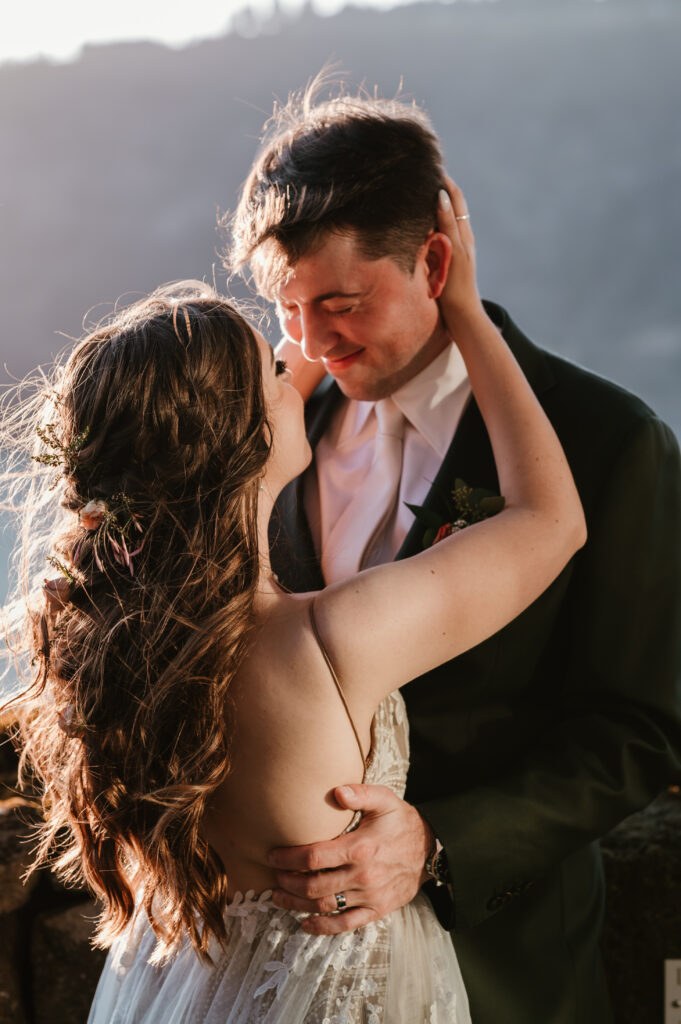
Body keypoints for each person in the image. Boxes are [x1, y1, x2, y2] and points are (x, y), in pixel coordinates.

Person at [2, 184, 583, 1023]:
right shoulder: (328, 640)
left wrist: (231, 380)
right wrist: (462, 309)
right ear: (240, 432)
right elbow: (549, 522)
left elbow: (213, 431)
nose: (299, 353)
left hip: (178, 990)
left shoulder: (123, 652)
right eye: (276, 363)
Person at [230, 88, 681, 1022]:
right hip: (282, 965)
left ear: (434, 261)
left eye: (341, 302)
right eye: (288, 307)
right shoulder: (270, 439)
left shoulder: (607, 443)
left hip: (504, 963)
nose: (312, 340)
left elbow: (637, 730)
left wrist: (437, 843)